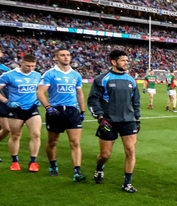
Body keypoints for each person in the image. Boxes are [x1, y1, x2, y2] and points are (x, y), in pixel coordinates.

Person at [88, 50, 141, 192]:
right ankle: (99, 168)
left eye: (127, 60)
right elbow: (93, 100)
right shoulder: (102, 79)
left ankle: (127, 183)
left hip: (128, 121)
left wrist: (137, 118)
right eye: (123, 60)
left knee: (130, 150)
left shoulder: (131, 80)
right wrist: (99, 117)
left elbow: (136, 101)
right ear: (113, 62)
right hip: (108, 122)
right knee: (105, 155)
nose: (126, 63)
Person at [37, 49, 87, 181]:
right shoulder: (50, 74)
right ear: (56, 57)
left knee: (75, 142)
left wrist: (82, 111)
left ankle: (77, 171)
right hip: (56, 111)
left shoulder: (76, 75)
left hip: (72, 111)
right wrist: (48, 107)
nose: (66, 57)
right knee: (52, 142)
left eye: (68, 55)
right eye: (62, 55)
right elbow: (40, 92)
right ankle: (53, 165)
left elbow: (79, 93)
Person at [0, 54, 43, 172]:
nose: (30, 68)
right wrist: (6, 102)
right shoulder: (9, 75)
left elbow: (39, 89)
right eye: (27, 65)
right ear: (21, 63)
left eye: (32, 66)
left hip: (32, 108)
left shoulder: (37, 75)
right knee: (15, 135)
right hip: (15, 109)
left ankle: (33, 162)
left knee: (36, 134)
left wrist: (39, 98)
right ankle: (15, 161)